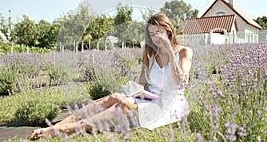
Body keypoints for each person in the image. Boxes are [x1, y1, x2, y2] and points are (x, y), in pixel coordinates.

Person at [28, 13, 193, 140]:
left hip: (169, 104)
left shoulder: (184, 52)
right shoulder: (150, 55)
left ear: (168, 30)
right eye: (152, 34)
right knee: (114, 98)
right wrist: (130, 94)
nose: (156, 38)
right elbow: (141, 86)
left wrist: (171, 53)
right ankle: (57, 125)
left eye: (159, 32)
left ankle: (64, 130)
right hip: (151, 98)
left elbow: (180, 83)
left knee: (122, 105)